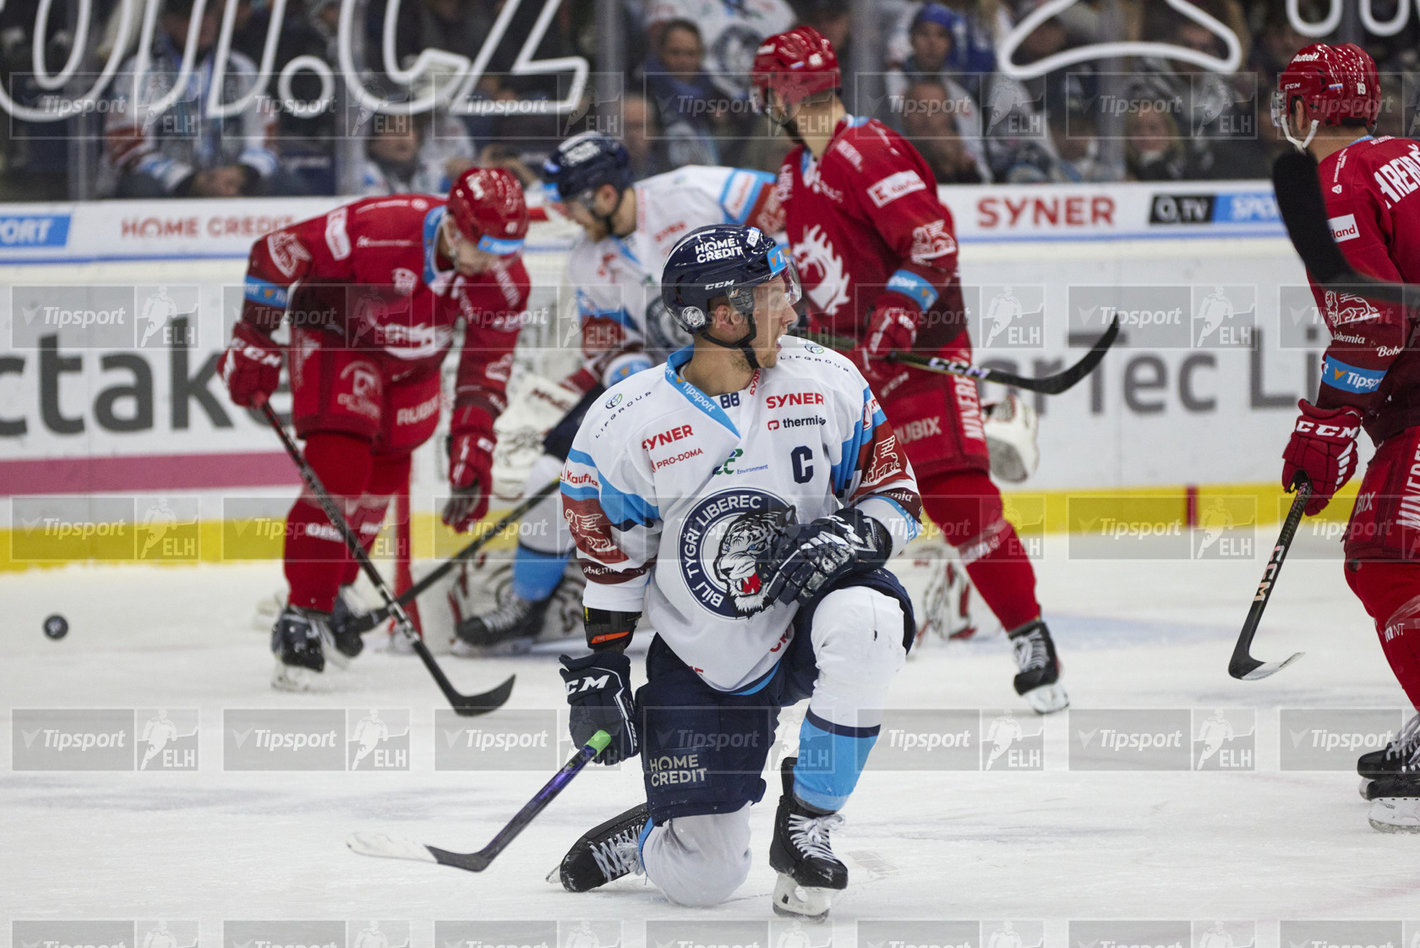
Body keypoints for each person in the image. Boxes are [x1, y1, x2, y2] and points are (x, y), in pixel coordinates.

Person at [552, 223, 922, 919]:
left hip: (811, 620)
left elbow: (897, 492)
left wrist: (858, 530)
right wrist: (604, 669)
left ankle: (808, 822)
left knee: (871, 618)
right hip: (705, 660)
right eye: (774, 293)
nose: (792, 307)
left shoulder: (826, 378)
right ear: (724, 316)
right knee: (705, 882)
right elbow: (611, 561)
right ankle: (653, 835)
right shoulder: (625, 425)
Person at [751, 26, 1068, 713]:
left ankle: (1030, 636)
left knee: (961, 502)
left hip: (918, 354)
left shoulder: (864, 150)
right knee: (814, 505)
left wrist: (894, 317)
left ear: (785, 91)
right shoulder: (792, 169)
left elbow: (932, 246)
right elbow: (800, 267)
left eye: (766, 89)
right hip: (849, 367)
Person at [451, 132, 782, 652]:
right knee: (549, 470)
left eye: (570, 204)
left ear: (603, 196)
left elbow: (789, 201)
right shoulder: (587, 262)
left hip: (751, 363)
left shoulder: (694, 191)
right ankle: (526, 604)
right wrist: (642, 389)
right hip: (666, 381)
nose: (566, 217)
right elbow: (608, 346)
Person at [219, 167, 531, 690]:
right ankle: (303, 608)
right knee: (339, 465)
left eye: (508, 248)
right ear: (453, 228)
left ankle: (334, 587)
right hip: (338, 334)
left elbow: (486, 367)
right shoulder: (381, 226)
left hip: (415, 363)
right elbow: (277, 251)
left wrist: (473, 445)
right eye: (486, 246)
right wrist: (255, 335)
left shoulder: (503, 280)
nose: (496, 261)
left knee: (383, 478)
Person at [1271, 43, 1420, 832]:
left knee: (1386, 555)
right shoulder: (1409, 155)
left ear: (1302, 110)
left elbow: (1375, 326)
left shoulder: (1334, 183)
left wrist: (1328, 421)